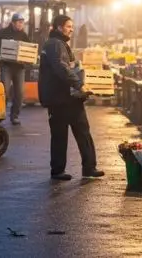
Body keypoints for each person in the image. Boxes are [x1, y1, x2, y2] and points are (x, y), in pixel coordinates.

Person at [38, 14, 104, 181]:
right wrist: (79, 84)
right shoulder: (55, 45)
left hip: (68, 97)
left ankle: (89, 167)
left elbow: (69, 66)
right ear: (59, 27)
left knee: (82, 131)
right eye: (68, 26)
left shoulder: (59, 44)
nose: (72, 29)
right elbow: (61, 68)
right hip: (60, 98)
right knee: (62, 135)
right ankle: (59, 170)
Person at [0, 13, 30, 125]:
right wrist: (1, 54)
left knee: (20, 92)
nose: (21, 25)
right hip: (7, 66)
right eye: (19, 22)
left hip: (19, 67)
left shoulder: (24, 35)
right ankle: (0, 114)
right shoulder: (3, 33)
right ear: (13, 23)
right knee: (4, 91)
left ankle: (14, 116)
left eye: (22, 22)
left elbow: (28, 49)